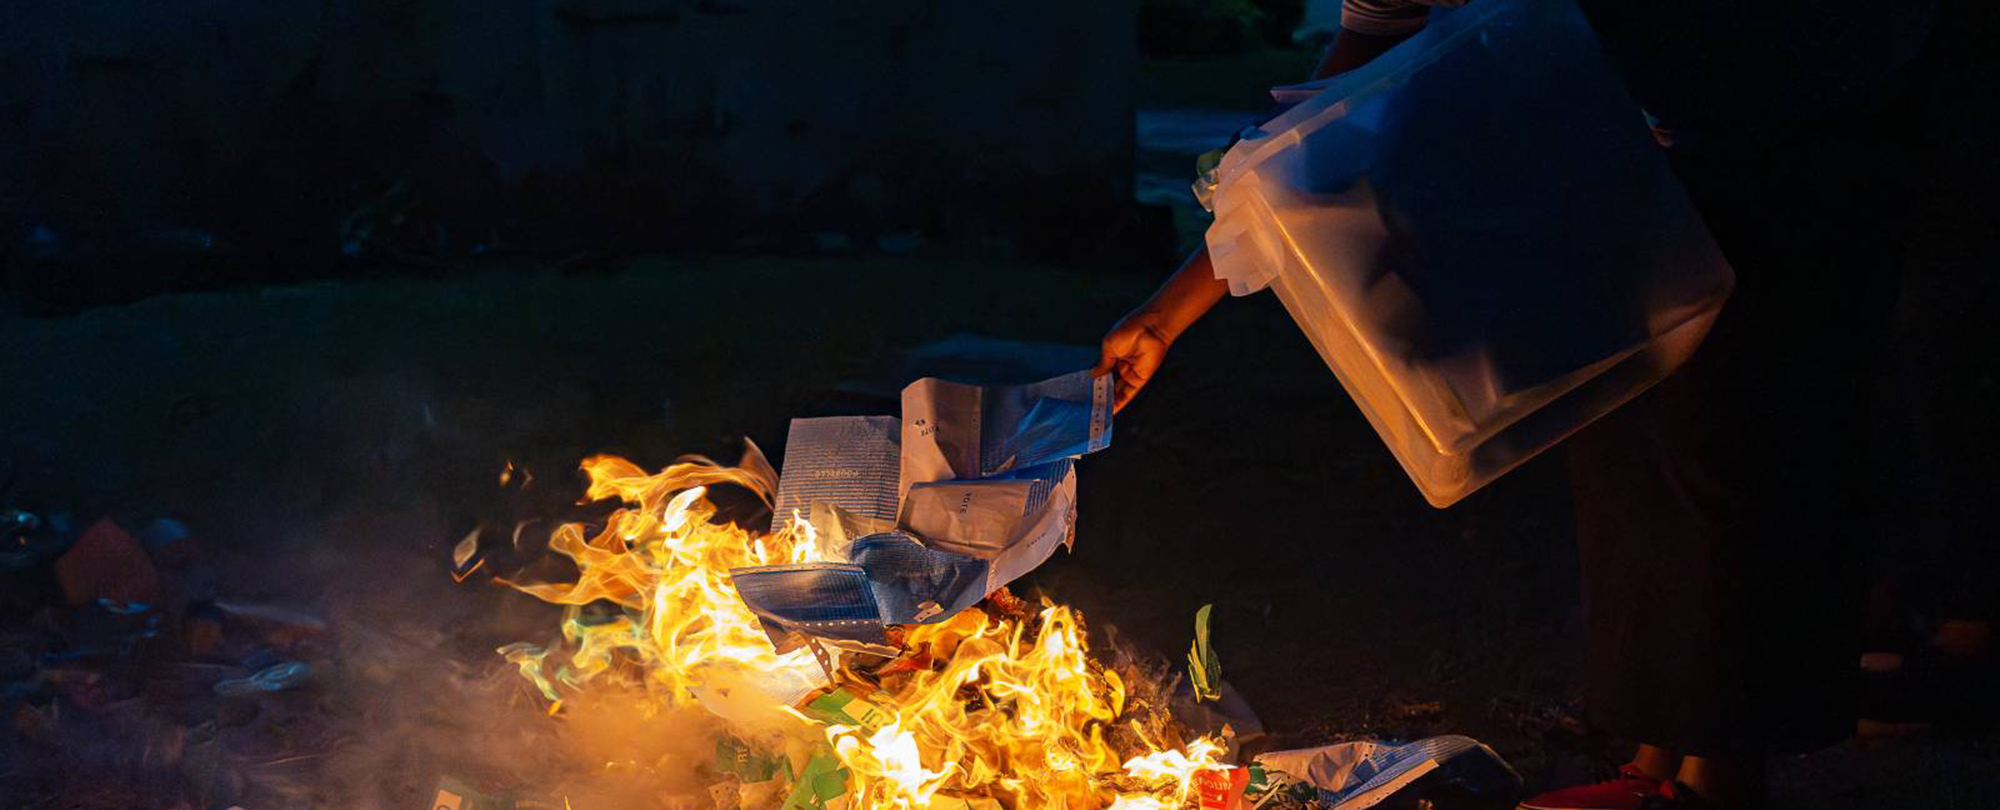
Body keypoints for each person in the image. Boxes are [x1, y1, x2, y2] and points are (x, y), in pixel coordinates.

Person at [1094, 2, 1940, 808]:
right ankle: (1656, 754)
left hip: (1791, 117)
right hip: (1620, 134)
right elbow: (1330, 109)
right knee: (1621, 420)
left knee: (1731, 438)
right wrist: (1167, 314)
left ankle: (1720, 777)